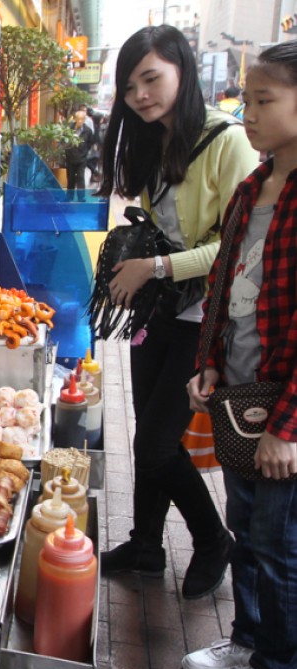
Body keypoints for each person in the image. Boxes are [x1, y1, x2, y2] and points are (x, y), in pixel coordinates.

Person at [95, 25, 260, 598]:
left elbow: (238, 244)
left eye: (152, 78)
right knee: (148, 435)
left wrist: (157, 269)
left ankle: (213, 540)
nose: (141, 94)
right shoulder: (153, 141)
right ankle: (146, 545)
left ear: (182, 72)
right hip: (162, 312)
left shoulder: (227, 140)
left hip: (207, 318)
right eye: (131, 85)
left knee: (159, 443)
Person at [182, 41, 297, 669]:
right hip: (241, 394)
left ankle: (280, 664)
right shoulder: (254, 186)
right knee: (246, 528)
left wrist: (287, 426)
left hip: (283, 411)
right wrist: (209, 364)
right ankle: (248, 644)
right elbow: (223, 284)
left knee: (280, 547)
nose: (247, 113)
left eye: (264, 100)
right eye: (246, 99)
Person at [65, 110, 93, 201]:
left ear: (84, 120)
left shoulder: (88, 131)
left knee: (80, 177)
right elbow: (64, 141)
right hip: (70, 158)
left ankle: (81, 197)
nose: (80, 121)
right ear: (75, 119)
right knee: (71, 178)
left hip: (82, 159)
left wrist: (84, 152)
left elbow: (90, 143)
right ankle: (69, 196)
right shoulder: (68, 129)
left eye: (82, 119)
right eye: (78, 119)